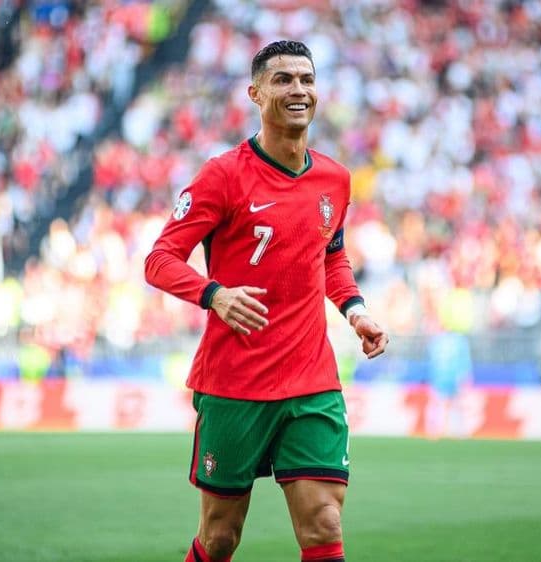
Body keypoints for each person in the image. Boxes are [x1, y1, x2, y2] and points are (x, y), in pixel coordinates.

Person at [144, 40, 388, 562]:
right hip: (235, 383)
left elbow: (331, 257)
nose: (298, 89)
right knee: (221, 537)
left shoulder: (335, 180)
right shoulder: (222, 175)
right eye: (282, 80)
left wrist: (355, 310)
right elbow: (160, 259)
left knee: (324, 522)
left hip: (312, 380)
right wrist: (214, 295)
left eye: (306, 79)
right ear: (255, 93)